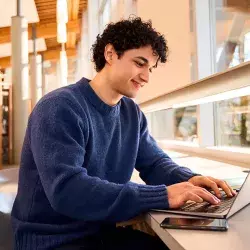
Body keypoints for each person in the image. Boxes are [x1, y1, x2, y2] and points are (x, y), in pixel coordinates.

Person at [11, 17, 236, 250]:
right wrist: (162, 195)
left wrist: (190, 180)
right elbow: (67, 190)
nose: (146, 77)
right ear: (110, 54)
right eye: (139, 63)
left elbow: (155, 163)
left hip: (100, 233)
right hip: (52, 241)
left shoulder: (131, 113)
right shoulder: (59, 107)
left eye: (150, 68)